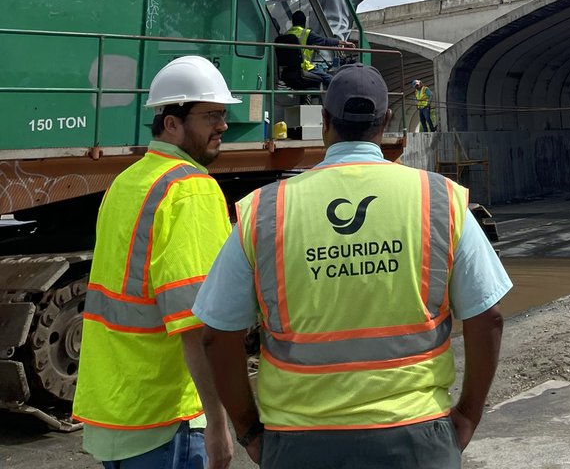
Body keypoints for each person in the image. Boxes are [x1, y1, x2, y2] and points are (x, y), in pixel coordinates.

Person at [196, 63, 511, 468]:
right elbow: (489, 318)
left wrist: (250, 432)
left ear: (325, 120)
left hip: (299, 442)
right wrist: (468, 414)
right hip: (417, 438)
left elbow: (216, 336)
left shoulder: (264, 210)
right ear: (387, 120)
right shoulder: (438, 199)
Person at [73, 55, 241, 469]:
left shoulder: (127, 181)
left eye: (224, 114)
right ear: (172, 123)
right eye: (211, 115)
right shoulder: (191, 190)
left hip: (116, 412)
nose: (223, 125)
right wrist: (220, 421)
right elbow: (197, 324)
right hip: (167, 419)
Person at [283, 8, 342, 86]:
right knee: (331, 80)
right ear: (304, 22)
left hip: (287, 71)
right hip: (304, 68)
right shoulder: (306, 33)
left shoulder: (286, 34)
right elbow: (324, 41)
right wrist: (342, 42)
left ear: (293, 22)